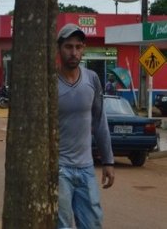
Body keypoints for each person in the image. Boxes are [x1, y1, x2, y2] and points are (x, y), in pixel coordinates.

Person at [57, 23, 115, 229]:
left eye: (78, 47)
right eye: (68, 47)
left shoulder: (92, 79)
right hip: (58, 169)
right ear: (59, 48)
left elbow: (100, 121)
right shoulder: (48, 82)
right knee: (62, 225)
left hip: (86, 168)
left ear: (83, 49)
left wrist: (108, 161)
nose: (74, 52)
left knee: (92, 224)